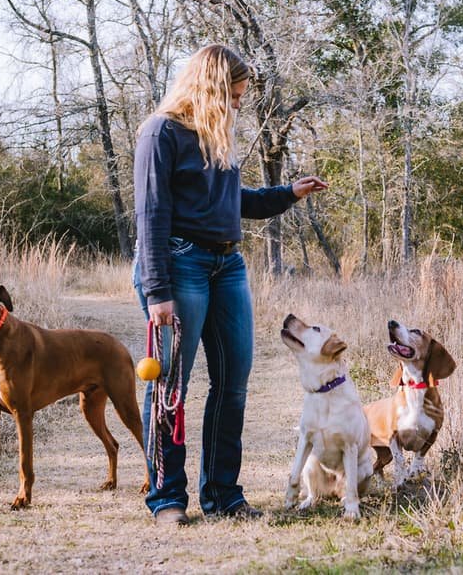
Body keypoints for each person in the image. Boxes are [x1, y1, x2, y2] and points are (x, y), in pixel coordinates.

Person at [132, 44, 328, 526]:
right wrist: (158, 291)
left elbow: (228, 201)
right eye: (235, 95)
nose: (239, 104)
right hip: (179, 265)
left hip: (228, 267)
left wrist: (287, 194)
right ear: (212, 88)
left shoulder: (215, 138)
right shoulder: (162, 132)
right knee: (170, 388)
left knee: (233, 385)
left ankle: (222, 494)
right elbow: (151, 214)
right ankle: (168, 499)